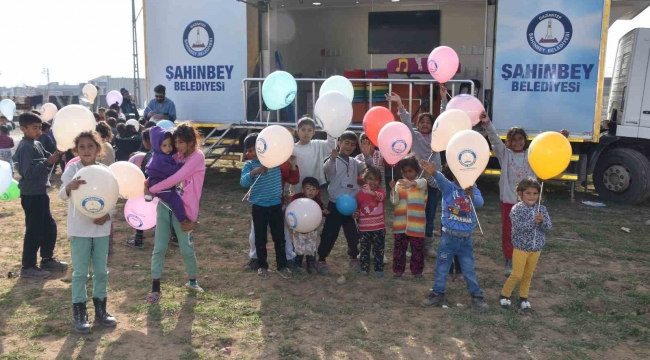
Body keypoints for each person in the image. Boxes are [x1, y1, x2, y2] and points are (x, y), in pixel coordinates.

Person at [480, 112, 568, 276]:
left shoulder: (531, 155)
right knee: (509, 231)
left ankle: (526, 258)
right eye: (514, 139)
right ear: (509, 142)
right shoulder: (505, 154)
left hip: (529, 203)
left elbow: (549, 148)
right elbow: (494, 139)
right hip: (508, 201)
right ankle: (509, 260)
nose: (518, 142)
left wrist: (561, 139)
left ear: (525, 141)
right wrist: (487, 123)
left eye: (521, 139)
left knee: (529, 229)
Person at [59, 131, 117, 333]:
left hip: (101, 228)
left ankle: (101, 309)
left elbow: (113, 195)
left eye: (90, 146)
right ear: (76, 150)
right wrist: (69, 187)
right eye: (82, 147)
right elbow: (61, 195)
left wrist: (107, 215)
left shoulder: (104, 171)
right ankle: (80, 312)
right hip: (79, 229)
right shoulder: (72, 170)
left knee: (101, 270)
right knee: (81, 273)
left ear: (98, 149)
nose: (86, 150)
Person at [146, 123, 206, 304]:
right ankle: (155, 288)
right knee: (159, 248)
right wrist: (148, 182)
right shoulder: (176, 156)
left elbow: (176, 178)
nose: (177, 146)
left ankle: (193, 281)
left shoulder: (197, 157)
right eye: (175, 142)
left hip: (184, 211)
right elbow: (158, 169)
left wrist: (152, 189)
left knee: (186, 249)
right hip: (164, 206)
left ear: (191, 141)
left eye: (180, 142)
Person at [420, 161, 488, 311]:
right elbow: (440, 180)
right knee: (442, 267)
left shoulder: (474, 190)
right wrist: (434, 172)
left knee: (468, 269)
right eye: (459, 173)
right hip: (448, 239)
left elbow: (480, 203)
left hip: (466, 240)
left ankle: (476, 296)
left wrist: (472, 196)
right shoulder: (449, 187)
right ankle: (438, 292)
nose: (463, 177)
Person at [387, 90, 444, 258]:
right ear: (418, 124)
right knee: (413, 213)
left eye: (428, 122)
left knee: (430, 214)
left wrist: (442, 99)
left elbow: (443, 119)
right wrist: (399, 103)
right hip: (415, 184)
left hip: (432, 182)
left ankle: (427, 244)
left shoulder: (437, 138)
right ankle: (411, 243)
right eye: (422, 121)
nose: (425, 124)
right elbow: (405, 120)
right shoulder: (415, 136)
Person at [13, 112, 67, 279]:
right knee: (34, 230)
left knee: (48, 226)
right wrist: (48, 162)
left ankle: (47, 258)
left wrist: (57, 155)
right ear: (23, 129)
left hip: (41, 191)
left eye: (39, 128)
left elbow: (47, 161)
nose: (38, 131)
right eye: (34, 128)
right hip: (31, 194)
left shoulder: (36, 143)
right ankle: (28, 266)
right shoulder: (25, 148)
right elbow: (28, 173)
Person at [240, 133, 298, 279]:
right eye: (251, 150)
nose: (254, 153)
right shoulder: (248, 165)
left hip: (276, 206)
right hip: (259, 208)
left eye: (256, 149)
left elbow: (286, 156)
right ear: (248, 153)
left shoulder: (275, 161)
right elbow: (243, 182)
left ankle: (282, 266)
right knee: (260, 239)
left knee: (279, 238)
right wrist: (254, 172)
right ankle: (262, 266)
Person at [317, 131, 374, 275]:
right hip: (335, 204)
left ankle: (354, 256)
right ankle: (322, 259)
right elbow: (327, 170)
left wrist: (367, 155)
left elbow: (370, 169)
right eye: (346, 143)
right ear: (339, 143)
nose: (349, 146)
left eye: (353, 144)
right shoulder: (333, 160)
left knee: (353, 234)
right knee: (329, 233)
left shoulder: (355, 162)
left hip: (351, 206)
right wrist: (332, 159)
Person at [500, 178, 552, 313]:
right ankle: (504, 295)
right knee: (517, 274)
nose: (532, 196)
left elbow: (549, 227)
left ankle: (523, 298)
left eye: (535, 193)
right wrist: (533, 222)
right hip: (521, 248)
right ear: (521, 194)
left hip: (536, 249)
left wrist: (542, 222)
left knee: (528, 274)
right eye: (528, 193)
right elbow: (517, 228)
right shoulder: (516, 209)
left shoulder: (542, 209)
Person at [389, 155, 427, 279]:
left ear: (417, 170)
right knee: (399, 249)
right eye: (404, 172)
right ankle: (398, 271)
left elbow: (420, 183)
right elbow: (394, 202)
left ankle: (417, 272)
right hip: (400, 225)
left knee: (417, 250)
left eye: (410, 171)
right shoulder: (399, 184)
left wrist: (411, 183)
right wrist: (393, 190)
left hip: (417, 225)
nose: (407, 174)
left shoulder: (421, 183)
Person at [145, 126, 187, 223]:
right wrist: (181, 166)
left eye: (170, 145)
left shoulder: (162, 156)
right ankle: (183, 220)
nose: (168, 148)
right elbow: (170, 171)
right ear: (156, 145)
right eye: (164, 145)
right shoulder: (160, 159)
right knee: (176, 202)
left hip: (162, 185)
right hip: (163, 188)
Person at [289, 177, 328, 274]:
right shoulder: (298, 199)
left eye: (313, 189)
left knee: (311, 246)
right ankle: (297, 263)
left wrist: (325, 212)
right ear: (303, 189)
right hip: (299, 229)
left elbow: (321, 211)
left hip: (312, 229)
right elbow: (292, 208)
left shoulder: (317, 201)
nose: (310, 191)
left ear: (317, 191)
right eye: (308, 188)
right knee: (299, 246)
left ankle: (310, 263)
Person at [289, 116, 336, 195]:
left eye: (309, 130)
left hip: (314, 188)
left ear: (314, 132)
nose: (306, 133)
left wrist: (329, 128)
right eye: (303, 130)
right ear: (297, 131)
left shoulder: (317, 144)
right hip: (297, 187)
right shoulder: (291, 148)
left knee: (314, 206)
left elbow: (331, 146)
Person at [353, 166, 386, 277]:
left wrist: (372, 193)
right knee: (364, 250)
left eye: (376, 179)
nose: (373, 181)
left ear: (379, 181)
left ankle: (378, 269)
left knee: (379, 249)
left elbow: (381, 197)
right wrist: (356, 214)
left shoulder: (380, 191)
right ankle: (364, 268)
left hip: (379, 228)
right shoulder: (360, 194)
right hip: (364, 229)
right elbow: (358, 208)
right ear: (365, 179)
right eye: (370, 178)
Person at [126, 129, 153, 248]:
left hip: (145, 190)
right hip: (155, 190)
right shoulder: (157, 153)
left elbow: (142, 174)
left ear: (148, 141)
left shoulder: (149, 156)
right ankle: (173, 236)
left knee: (139, 213)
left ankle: (138, 239)